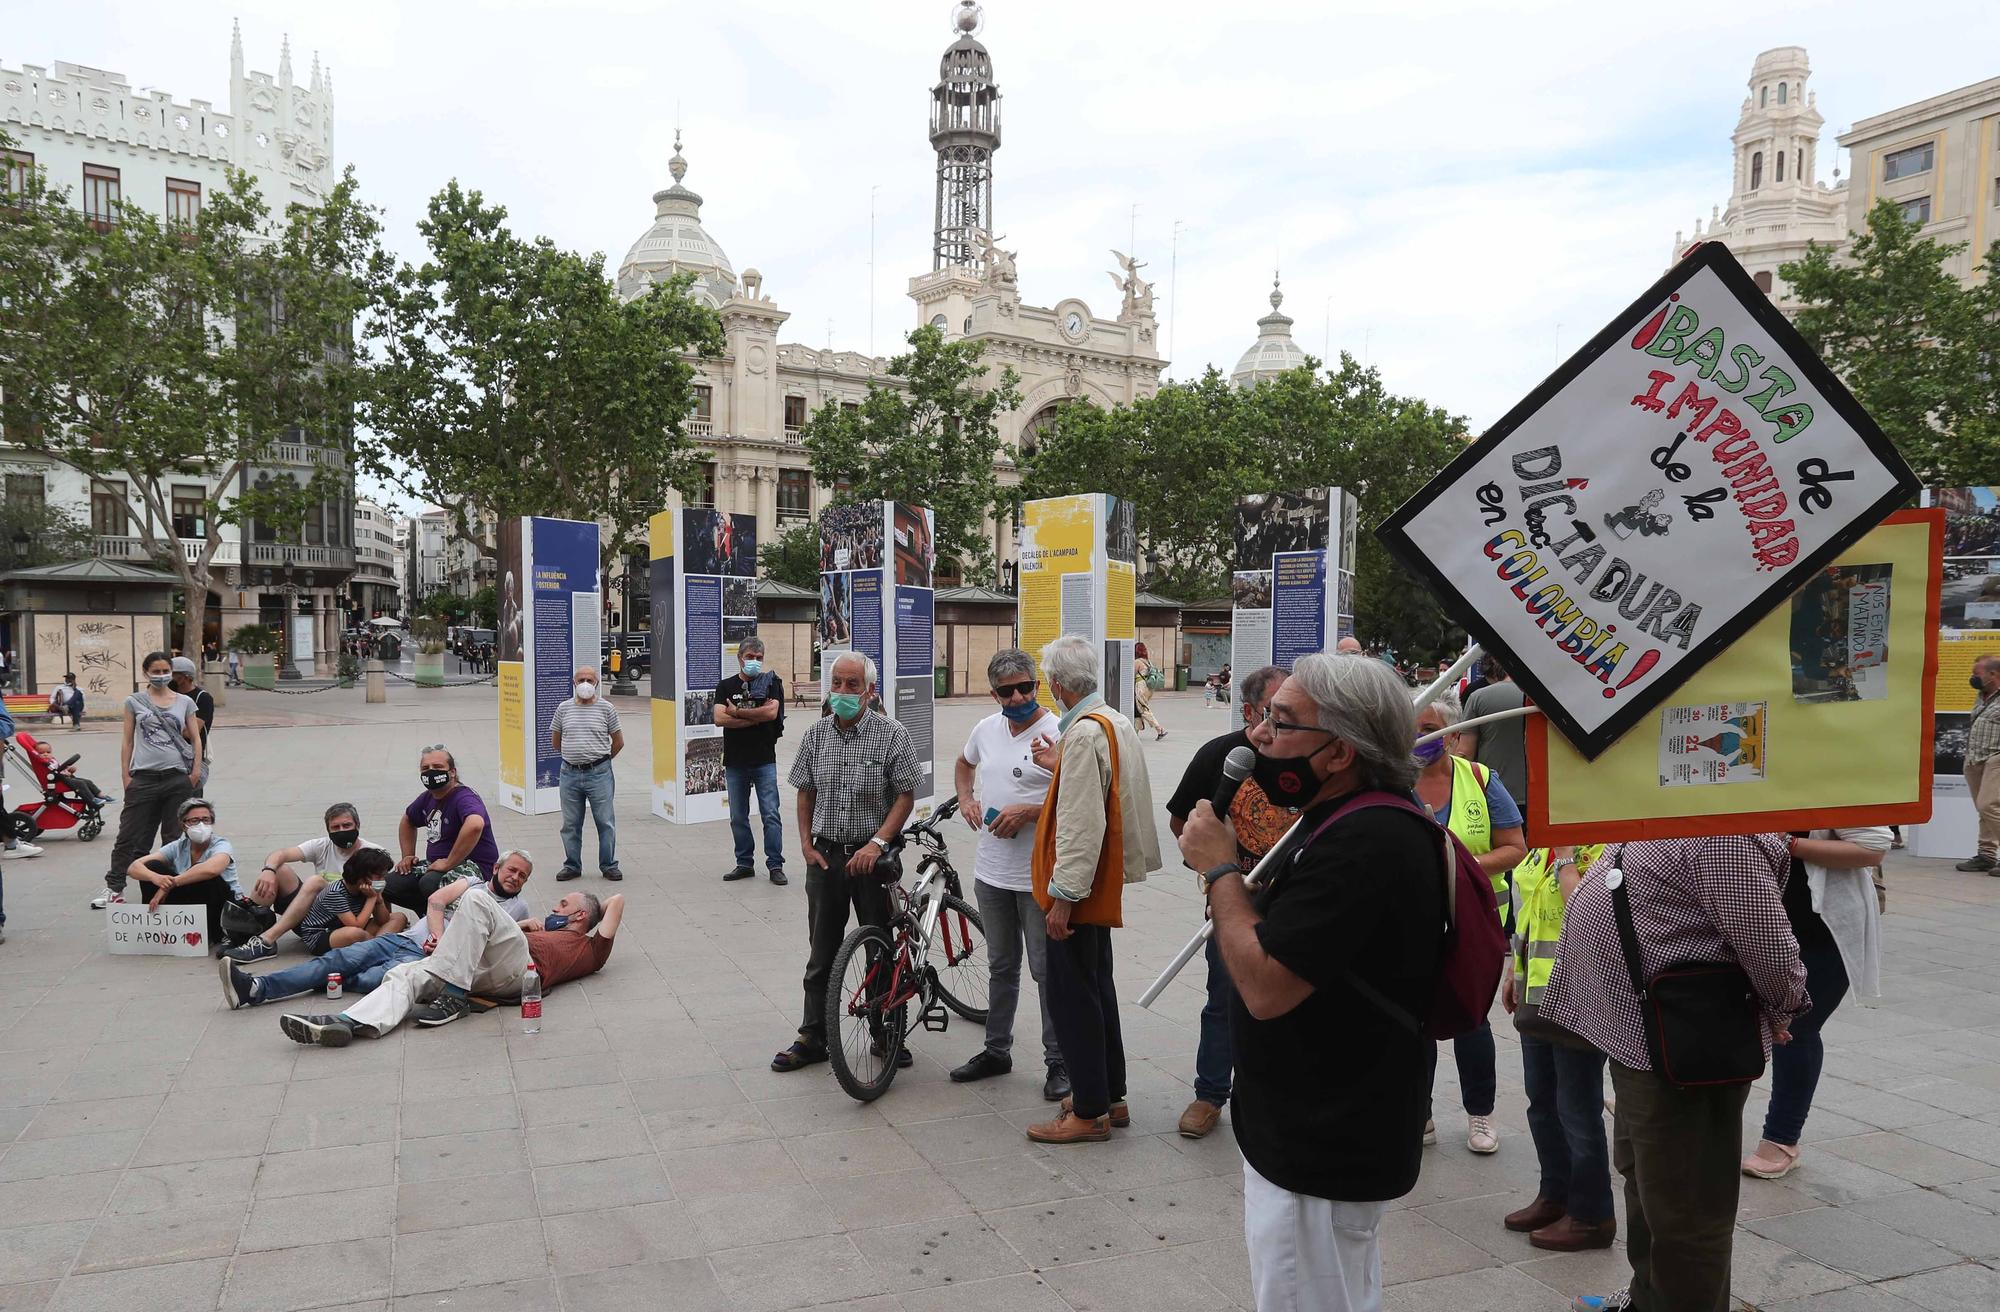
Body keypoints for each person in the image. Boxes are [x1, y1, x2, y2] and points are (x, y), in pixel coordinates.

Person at [1176, 652, 1444, 1312]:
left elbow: (1267, 985)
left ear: (1339, 754)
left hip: (1324, 1136)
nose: (1258, 736)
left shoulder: (1367, 837)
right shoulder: (1349, 819)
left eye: (1282, 721)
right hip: (1317, 1121)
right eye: (1264, 716)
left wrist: (1220, 871)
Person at [1545, 837, 1807, 1312]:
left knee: (1687, 1212)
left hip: (1681, 1050)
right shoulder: (1669, 817)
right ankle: (1649, 1299)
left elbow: (1770, 949)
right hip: (1640, 1039)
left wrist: (1784, 1008)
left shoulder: (1722, 837)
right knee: (1648, 1186)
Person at [1025, 635, 1162, 1143]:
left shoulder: (1083, 735)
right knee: (1096, 988)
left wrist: (1062, 898)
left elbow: (1081, 824)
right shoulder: (1112, 719)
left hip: (1079, 891)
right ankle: (1110, 1094)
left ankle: (1088, 1112)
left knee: (1072, 998)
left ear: (1056, 685)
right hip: (1100, 885)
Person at [771, 652, 920, 1072]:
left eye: (852, 685)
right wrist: (805, 843)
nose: (842, 692)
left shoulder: (892, 734)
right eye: (836, 683)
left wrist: (876, 843)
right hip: (826, 857)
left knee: (879, 946)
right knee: (822, 951)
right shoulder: (817, 734)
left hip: (872, 859)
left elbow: (906, 794)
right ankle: (812, 1035)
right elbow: (804, 790)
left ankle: (884, 1030)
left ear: (870, 691)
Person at [1163, 664, 1293, 1140]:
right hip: (1234, 898)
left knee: (1290, 1002)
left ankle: (1277, 1093)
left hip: (1297, 900)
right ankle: (1210, 1092)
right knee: (1225, 997)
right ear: (1248, 710)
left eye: (1290, 714)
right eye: (1271, 712)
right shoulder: (1220, 755)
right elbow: (1182, 824)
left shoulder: (1304, 757)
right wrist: (1214, 870)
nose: (1279, 724)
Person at [277, 887, 621, 1045]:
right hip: (485, 971)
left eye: (564, 904)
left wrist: (587, 912)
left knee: (475, 896)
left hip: (524, 972)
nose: (555, 907)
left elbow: (615, 901)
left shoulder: (589, 949)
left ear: (579, 915)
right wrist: (521, 926)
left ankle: (453, 996)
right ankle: (349, 1023)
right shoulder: (539, 930)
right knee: (405, 973)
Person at [949, 650, 1066, 1099]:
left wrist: (1031, 812)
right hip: (992, 872)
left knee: (1046, 971)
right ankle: (997, 1050)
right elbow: (965, 763)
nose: (1017, 697)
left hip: (1039, 875)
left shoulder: (1057, 731)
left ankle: (1059, 1061)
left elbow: (1078, 798)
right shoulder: (986, 729)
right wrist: (966, 799)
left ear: (1037, 685)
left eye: (1025, 687)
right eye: (1006, 690)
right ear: (992, 692)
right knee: (1001, 966)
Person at [1742, 827, 1891, 1180]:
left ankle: (1781, 1139)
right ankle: (1675, 1107)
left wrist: (1787, 844)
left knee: (1798, 1028)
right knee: (1727, 1018)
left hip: (1822, 928)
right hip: (1756, 923)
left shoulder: (1829, 780)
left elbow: (1873, 848)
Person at [1413, 690, 1524, 1155]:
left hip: (1474, 925)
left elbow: (1514, 846)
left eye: (1429, 729)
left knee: (1471, 1020)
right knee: (1412, 1018)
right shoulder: (1392, 781)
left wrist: (1462, 865)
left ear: (1454, 734)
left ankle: (1481, 1113)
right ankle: (1419, 1114)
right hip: (1412, 923)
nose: (1421, 739)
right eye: (1413, 730)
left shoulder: (1479, 779)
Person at [223, 849, 535, 1008]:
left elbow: (500, 943)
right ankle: (256, 988)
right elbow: (437, 900)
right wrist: (438, 936)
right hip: (406, 941)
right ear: (497, 868)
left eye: (523, 876)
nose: (515, 878)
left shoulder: (517, 908)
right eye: (512, 870)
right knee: (336, 960)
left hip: (424, 963)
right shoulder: (474, 883)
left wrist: (526, 924)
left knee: (372, 979)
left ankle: (323, 981)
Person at [1499, 842, 1616, 1253]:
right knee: (1542, 1103)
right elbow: (1527, 913)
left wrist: (1566, 858)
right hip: (1539, 995)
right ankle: (1555, 1196)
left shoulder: (1607, 848)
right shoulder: (1541, 850)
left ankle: (1591, 1215)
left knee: (1578, 1110)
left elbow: (1588, 914)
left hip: (1582, 998)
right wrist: (1514, 969)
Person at [95, 651, 202, 909]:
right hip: (143, 777)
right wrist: (125, 775)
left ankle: (173, 887)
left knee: (174, 836)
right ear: (146, 673)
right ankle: (114, 887)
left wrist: (195, 772)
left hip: (176, 777)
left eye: (166, 670)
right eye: (155, 671)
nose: (161, 675)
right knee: (128, 835)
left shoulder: (184, 702)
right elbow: (127, 740)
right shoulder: (135, 701)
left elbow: (195, 737)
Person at [225, 803, 391, 961]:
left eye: (346, 825)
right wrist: (269, 870)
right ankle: (249, 936)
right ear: (328, 830)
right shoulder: (321, 845)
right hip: (313, 915)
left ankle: (266, 939)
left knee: (316, 882)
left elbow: (382, 898)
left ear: (358, 825)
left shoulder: (372, 855)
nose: (341, 831)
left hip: (345, 918)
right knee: (279, 869)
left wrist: (377, 902)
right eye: (335, 827)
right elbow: (281, 854)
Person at [391, 744, 500, 915]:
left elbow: (475, 824)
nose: (431, 772)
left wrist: (449, 862)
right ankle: (429, 914)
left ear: (453, 772)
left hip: (474, 867)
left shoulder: (464, 797)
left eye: (438, 767)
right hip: (437, 864)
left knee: (429, 883)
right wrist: (408, 855)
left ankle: (450, 920)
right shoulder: (428, 797)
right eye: (425, 768)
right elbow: (407, 820)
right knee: (391, 884)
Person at [716, 635, 788, 885]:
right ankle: (744, 863)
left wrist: (736, 712)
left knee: (771, 814)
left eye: (759, 658)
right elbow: (719, 718)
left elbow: (771, 712)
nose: (755, 662)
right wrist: (753, 718)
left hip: (764, 760)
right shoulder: (725, 686)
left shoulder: (771, 683)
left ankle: (775, 864)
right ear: (740, 658)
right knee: (738, 815)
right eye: (750, 657)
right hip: (735, 761)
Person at [126, 796, 239, 946]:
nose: (201, 824)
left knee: (202, 873)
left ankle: (216, 933)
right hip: (193, 901)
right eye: (194, 820)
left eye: (206, 820)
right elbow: (134, 867)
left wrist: (171, 884)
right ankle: (156, 927)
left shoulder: (221, 844)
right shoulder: (178, 846)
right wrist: (157, 878)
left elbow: (212, 869)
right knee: (152, 866)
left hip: (222, 902)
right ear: (184, 825)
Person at [550, 665, 624, 882]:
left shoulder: (606, 708)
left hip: (599, 774)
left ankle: (609, 865)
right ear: (574, 682)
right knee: (570, 823)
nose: (585, 683)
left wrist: (600, 759)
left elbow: (618, 742)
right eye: (581, 679)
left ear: (596, 683)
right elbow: (556, 741)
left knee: (605, 821)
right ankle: (572, 865)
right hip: (569, 773)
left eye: (589, 680)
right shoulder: (563, 709)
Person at [290, 846, 409, 957]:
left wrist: (378, 900)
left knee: (398, 917)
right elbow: (356, 925)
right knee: (354, 933)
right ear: (362, 876)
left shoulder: (368, 889)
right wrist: (371, 899)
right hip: (321, 936)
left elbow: (383, 920)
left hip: (352, 926)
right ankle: (379, 946)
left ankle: (376, 945)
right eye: (378, 877)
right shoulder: (335, 892)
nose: (382, 880)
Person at [1461, 655, 1528, 809]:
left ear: (1497, 672)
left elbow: (1465, 752)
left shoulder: (1478, 697)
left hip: (1492, 790)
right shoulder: (1546, 700)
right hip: (1539, 792)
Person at [1957, 655, 2000, 872]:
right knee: (1983, 810)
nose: (1973, 678)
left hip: (1996, 758)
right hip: (1975, 759)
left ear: (1993, 675)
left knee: (1988, 805)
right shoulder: (1983, 696)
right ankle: (1987, 855)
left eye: (1977, 674)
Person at [169, 656, 216, 790]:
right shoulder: (168, 695)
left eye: (173, 674)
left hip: (190, 759)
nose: (169, 678)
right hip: (168, 758)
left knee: (190, 801)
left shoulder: (203, 698)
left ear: (185, 677)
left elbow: (190, 732)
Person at [1132, 641, 1167, 741]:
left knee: (1143, 709)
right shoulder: (1148, 662)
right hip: (1149, 689)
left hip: (1141, 687)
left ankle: (1159, 729)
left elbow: (1131, 675)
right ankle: (1135, 731)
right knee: (1139, 709)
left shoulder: (1137, 662)